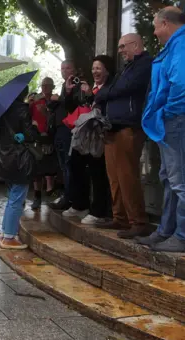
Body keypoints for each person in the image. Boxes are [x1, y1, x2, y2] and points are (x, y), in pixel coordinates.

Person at [138, 7, 185, 252]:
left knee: (181, 181)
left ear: (166, 23)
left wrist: (168, 113)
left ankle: (184, 236)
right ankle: (166, 231)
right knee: (169, 179)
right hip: (170, 121)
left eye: (156, 26)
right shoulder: (176, 45)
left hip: (177, 120)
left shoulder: (183, 43)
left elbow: (182, 83)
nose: (155, 32)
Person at [93, 34, 152, 239]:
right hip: (113, 127)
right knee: (115, 177)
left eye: (122, 46)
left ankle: (138, 221)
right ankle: (120, 217)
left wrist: (102, 94)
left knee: (127, 176)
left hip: (129, 127)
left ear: (136, 45)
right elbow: (113, 89)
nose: (120, 51)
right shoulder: (126, 68)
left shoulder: (145, 64)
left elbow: (122, 88)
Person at [62, 55, 114, 225]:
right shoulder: (90, 87)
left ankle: (99, 212)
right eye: (93, 68)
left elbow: (100, 108)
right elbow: (71, 108)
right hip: (85, 135)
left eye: (98, 68)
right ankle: (79, 204)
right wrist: (69, 91)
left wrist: (91, 96)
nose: (95, 71)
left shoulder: (110, 87)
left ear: (107, 69)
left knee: (97, 172)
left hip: (100, 136)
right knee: (75, 165)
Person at [0, 87, 40, 249]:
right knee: (17, 199)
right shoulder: (22, 109)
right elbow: (29, 135)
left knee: (12, 197)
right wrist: (34, 125)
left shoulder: (0, 110)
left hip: (5, 158)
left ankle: (5, 233)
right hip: (20, 159)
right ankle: (9, 238)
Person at [48, 60, 78, 211]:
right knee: (63, 165)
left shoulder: (76, 85)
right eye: (62, 68)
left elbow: (72, 105)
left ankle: (70, 197)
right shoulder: (63, 85)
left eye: (68, 68)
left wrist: (60, 98)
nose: (65, 71)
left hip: (69, 129)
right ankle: (66, 194)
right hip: (59, 129)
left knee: (68, 164)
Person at [29, 77, 58, 210]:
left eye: (48, 85)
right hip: (37, 137)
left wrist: (46, 113)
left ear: (52, 86)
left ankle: (50, 189)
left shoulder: (55, 100)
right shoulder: (35, 100)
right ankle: (37, 196)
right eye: (43, 85)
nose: (45, 87)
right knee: (36, 169)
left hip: (50, 137)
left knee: (49, 167)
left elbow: (57, 118)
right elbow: (29, 116)